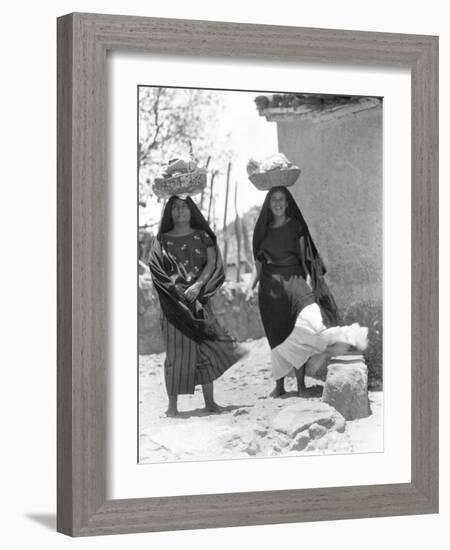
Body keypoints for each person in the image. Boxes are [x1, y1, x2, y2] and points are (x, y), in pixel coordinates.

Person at [246, 186, 368, 397]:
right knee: (276, 336)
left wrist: (310, 282)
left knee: (308, 326)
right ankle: (280, 386)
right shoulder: (262, 230)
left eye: (281, 199)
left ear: (287, 203)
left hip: (296, 281)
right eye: (273, 199)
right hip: (270, 290)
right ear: (268, 203)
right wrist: (251, 288)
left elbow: (304, 259)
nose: (277, 203)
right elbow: (258, 266)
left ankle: (303, 383)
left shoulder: (296, 227)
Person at [149, 195, 247, 416]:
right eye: (175, 207)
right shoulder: (161, 241)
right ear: (169, 212)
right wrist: (175, 293)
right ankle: (172, 407)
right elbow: (156, 268)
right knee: (175, 353)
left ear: (192, 210)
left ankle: (210, 402)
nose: (180, 211)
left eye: (184, 206)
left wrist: (198, 286)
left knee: (205, 350)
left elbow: (212, 263)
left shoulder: (203, 236)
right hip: (173, 305)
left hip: (198, 300)